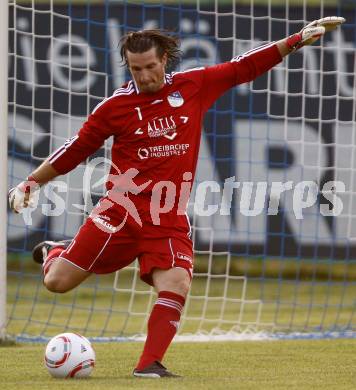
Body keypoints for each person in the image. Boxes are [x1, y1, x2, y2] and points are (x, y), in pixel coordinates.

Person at [8, 17, 344, 378]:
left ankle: (148, 365)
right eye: (136, 69)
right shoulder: (114, 108)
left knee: (177, 282)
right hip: (120, 213)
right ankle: (53, 252)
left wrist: (294, 40)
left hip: (167, 215)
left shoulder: (193, 85)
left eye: (150, 66)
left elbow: (242, 68)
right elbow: (74, 149)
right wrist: (31, 182)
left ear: (164, 59)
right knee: (57, 283)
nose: (145, 75)